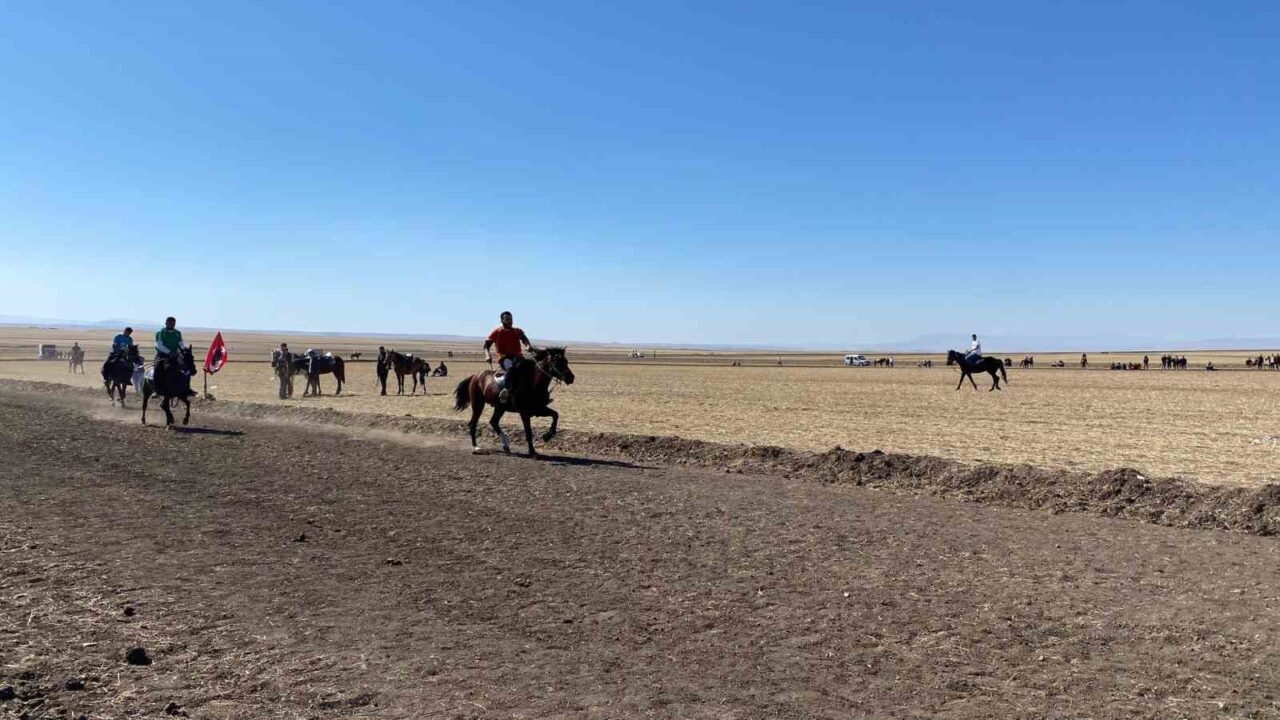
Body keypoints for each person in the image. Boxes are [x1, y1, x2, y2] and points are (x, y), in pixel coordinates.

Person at [484, 311, 532, 404]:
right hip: (504, 358)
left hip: (518, 357)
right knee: (511, 368)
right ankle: (505, 390)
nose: (510, 321)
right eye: (507, 320)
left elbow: (524, 339)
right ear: (502, 320)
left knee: (530, 367)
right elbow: (486, 345)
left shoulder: (518, 331)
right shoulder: (497, 332)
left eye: (511, 319)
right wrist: (487, 355)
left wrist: (528, 346)